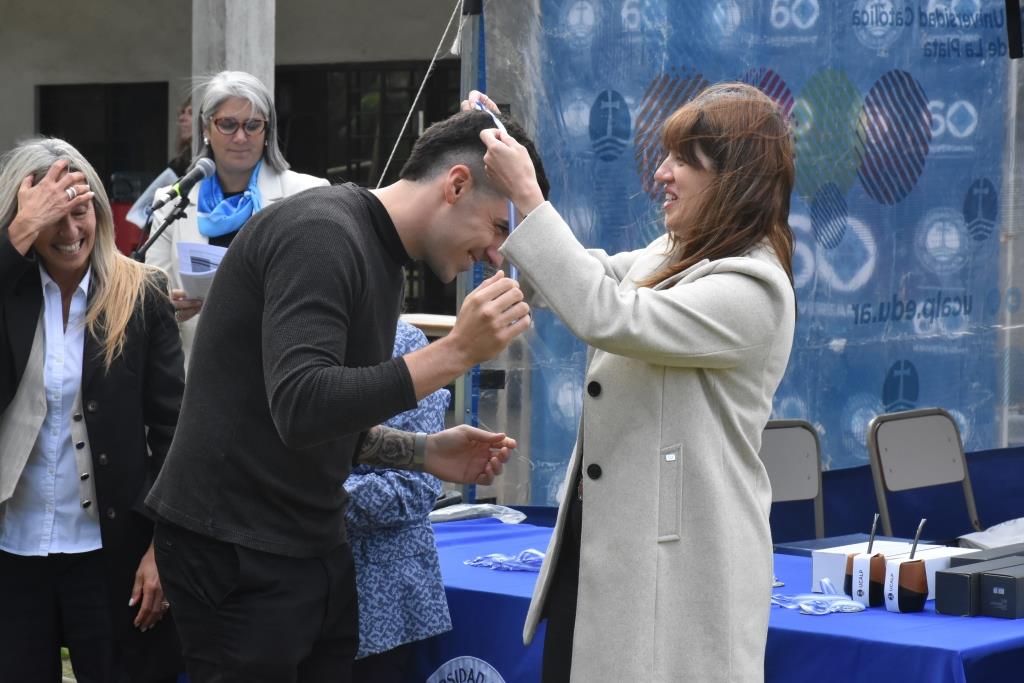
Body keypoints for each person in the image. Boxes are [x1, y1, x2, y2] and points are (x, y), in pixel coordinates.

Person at [145, 107, 549, 682]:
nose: (496, 256)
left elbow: (311, 412)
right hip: (235, 548)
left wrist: (423, 451)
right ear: (456, 184)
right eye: (500, 228)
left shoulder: (378, 250)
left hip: (309, 544)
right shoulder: (321, 231)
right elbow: (302, 404)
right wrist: (456, 351)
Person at [474, 83, 797, 682]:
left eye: (680, 160)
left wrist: (527, 192)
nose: (660, 173)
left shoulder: (753, 290)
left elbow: (607, 313)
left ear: (731, 177)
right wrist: (502, 212)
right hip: (608, 556)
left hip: (679, 574)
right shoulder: (672, 253)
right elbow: (577, 278)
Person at [0, 138, 185, 682]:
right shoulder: (8, 288)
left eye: (80, 211)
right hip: (13, 550)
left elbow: (175, 432)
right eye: (52, 217)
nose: (71, 231)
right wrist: (11, 241)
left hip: (114, 553)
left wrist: (163, 548)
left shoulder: (140, 291)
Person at [145, 70, 329, 365]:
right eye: (228, 124)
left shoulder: (307, 195)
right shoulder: (171, 203)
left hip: (279, 369)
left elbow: (322, 290)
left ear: (267, 131)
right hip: (200, 372)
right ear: (206, 128)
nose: (241, 137)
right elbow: (153, 301)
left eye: (253, 125)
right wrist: (173, 309)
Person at [347, 320, 453, 682]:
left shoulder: (405, 343)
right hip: (282, 597)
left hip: (377, 605)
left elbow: (414, 489)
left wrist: (300, 493)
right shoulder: (285, 337)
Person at [126, 96, 195, 233]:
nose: (181, 118)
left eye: (190, 113)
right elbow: (142, 211)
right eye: (182, 112)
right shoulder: (179, 165)